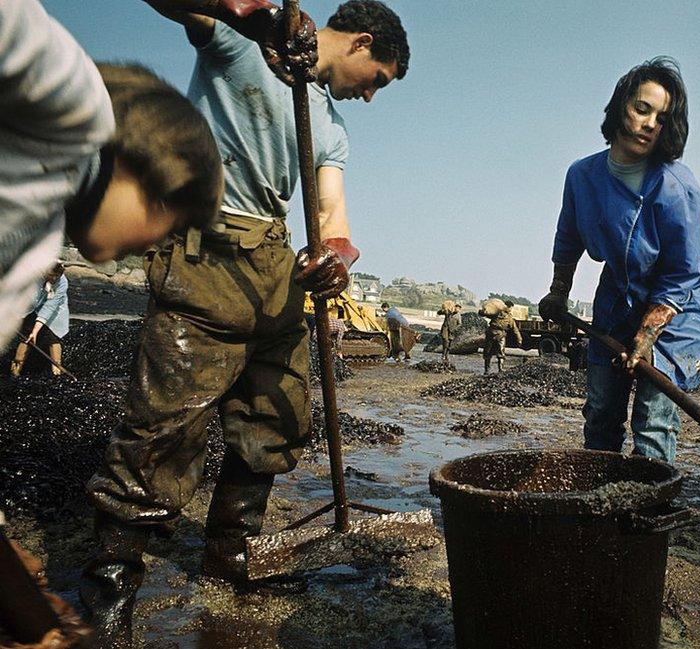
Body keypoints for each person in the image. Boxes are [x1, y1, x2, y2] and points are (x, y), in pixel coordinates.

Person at [82, 1, 410, 645]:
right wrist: (247, 12)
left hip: (275, 269)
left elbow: (332, 218)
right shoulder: (241, 46)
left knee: (276, 417)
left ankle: (229, 554)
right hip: (206, 254)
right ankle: (111, 586)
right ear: (362, 43)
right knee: (161, 429)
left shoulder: (331, 124)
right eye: (378, 80)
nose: (370, 96)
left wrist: (336, 262)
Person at [0, 0, 223, 354]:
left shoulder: (33, 253)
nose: (151, 246)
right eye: (170, 228)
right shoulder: (76, 102)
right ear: (164, 177)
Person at [538, 57, 700, 464]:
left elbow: (683, 272)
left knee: (653, 422)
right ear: (620, 107)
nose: (650, 123)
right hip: (618, 297)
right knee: (601, 412)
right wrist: (558, 292)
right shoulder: (582, 175)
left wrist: (646, 338)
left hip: (674, 311)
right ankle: (598, 500)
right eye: (642, 108)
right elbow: (569, 239)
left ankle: (647, 514)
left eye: (662, 117)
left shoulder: (677, 187)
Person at [11, 264, 70, 377]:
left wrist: (36, 331)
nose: (53, 279)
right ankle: (15, 371)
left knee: (53, 337)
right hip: (28, 304)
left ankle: (57, 372)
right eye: (51, 275)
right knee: (26, 336)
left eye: (56, 276)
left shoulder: (62, 282)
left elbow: (50, 307)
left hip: (54, 310)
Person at [479, 299, 522, 374]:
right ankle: (497, 369)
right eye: (511, 308)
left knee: (490, 352)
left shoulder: (498, 313)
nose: (511, 310)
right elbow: (515, 329)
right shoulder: (502, 314)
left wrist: (519, 339)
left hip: (493, 333)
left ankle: (489, 370)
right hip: (498, 334)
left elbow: (484, 314)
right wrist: (519, 339)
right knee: (498, 352)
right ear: (508, 307)